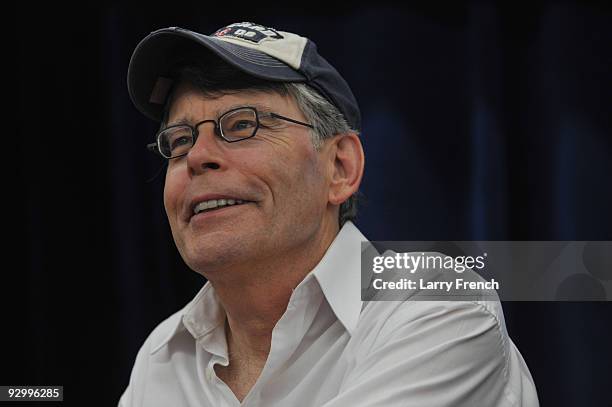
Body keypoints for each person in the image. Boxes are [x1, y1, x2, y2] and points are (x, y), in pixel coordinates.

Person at [120, 22, 539, 406]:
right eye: (178, 140)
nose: (197, 156)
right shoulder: (163, 357)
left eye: (242, 124)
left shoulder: (435, 305)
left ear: (340, 167)